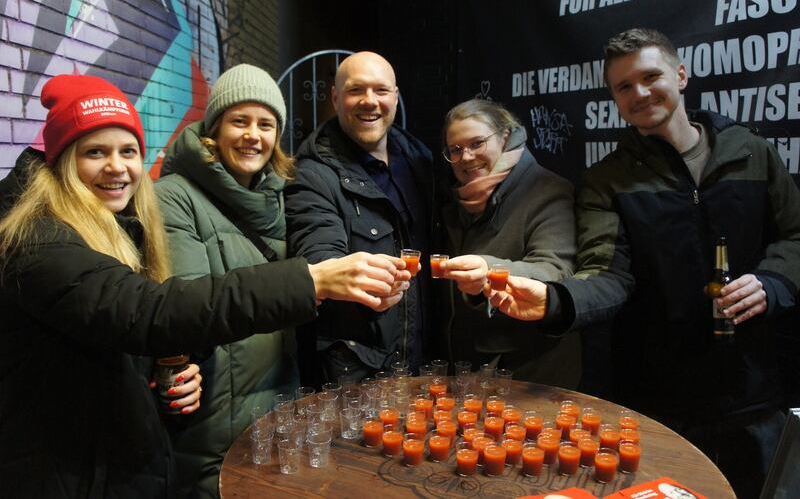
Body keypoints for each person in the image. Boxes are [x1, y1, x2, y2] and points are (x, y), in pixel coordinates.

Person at [0, 74, 408, 497]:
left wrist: (161, 374)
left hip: (130, 453)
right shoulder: (37, 238)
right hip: (67, 467)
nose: (117, 167)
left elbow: (119, 335)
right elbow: (155, 311)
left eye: (129, 151)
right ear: (63, 160)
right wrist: (311, 279)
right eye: (95, 152)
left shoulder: (118, 224)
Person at [485, 28, 800, 499]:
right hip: (660, 401)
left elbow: (795, 235)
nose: (640, 93)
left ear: (681, 74)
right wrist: (555, 300)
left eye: (650, 77)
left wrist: (772, 282)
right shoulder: (606, 179)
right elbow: (609, 275)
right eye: (623, 87)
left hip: (754, 393)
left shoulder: (751, 152)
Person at [154, 64, 301, 497]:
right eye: (239, 121)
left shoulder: (279, 198)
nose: (253, 135)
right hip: (213, 425)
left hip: (277, 407)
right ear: (214, 128)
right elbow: (188, 308)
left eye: (266, 124)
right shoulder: (175, 196)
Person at [285, 51, 434, 384]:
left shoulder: (421, 163)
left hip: (426, 369)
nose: (370, 101)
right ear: (336, 98)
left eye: (381, 90)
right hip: (358, 379)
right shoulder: (311, 175)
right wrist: (366, 286)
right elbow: (320, 261)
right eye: (356, 90)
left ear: (395, 97)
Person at [436, 99, 578, 385]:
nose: (466, 157)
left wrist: (488, 269)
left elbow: (556, 270)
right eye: (456, 149)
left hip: (532, 370)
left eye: (477, 143)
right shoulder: (455, 201)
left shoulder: (548, 190)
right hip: (472, 370)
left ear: (505, 137)